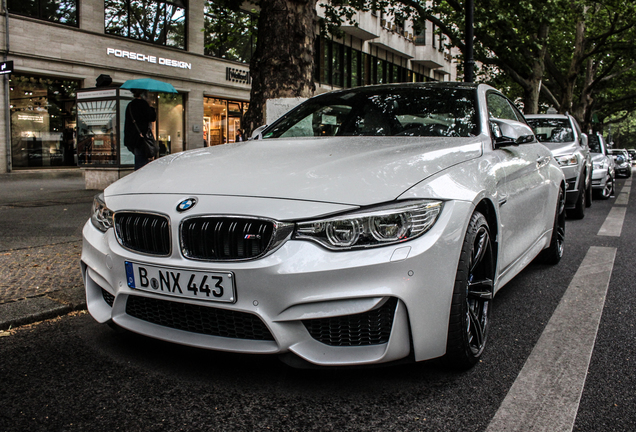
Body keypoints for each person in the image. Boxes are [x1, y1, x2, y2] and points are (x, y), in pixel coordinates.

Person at [124, 89, 157, 170]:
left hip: (133, 138)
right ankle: (140, 180)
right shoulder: (143, 104)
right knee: (141, 163)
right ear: (143, 95)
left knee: (139, 159)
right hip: (141, 138)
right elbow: (152, 117)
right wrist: (151, 108)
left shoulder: (130, 105)